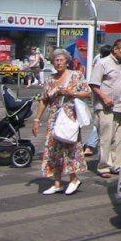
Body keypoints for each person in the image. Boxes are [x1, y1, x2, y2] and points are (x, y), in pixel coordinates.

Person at [31, 48, 91, 196]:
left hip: (70, 117)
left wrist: (73, 93)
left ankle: (73, 179)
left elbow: (88, 92)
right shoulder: (50, 79)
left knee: (70, 147)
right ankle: (57, 183)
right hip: (54, 118)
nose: (58, 63)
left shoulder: (76, 75)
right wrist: (37, 119)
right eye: (56, 60)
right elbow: (44, 100)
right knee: (53, 149)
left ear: (67, 61)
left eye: (61, 60)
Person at [89, 39, 121, 179]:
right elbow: (93, 84)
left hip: (120, 107)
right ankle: (104, 166)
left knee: (119, 138)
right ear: (115, 49)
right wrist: (104, 97)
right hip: (105, 107)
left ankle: (116, 165)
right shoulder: (103, 63)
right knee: (105, 137)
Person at [83, 44, 111, 157]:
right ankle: (91, 145)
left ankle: (91, 145)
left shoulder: (97, 59)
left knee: (103, 123)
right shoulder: (103, 63)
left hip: (103, 97)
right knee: (101, 122)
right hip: (103, 97)